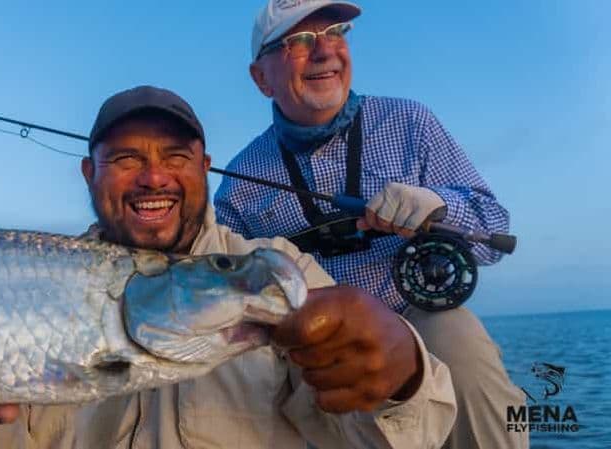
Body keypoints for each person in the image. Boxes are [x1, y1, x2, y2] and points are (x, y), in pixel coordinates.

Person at [0, 86, 457, 448]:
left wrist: (401, 373)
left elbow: (396, 439)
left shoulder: (270, 274)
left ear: (205, 167)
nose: (154, 176)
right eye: (127, 158)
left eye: (176, 157)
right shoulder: (40, 279)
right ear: (90, 175)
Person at [213, 1, 528, 449]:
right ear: (261, 78)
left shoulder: (411, 122)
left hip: (421, 315)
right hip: (311, 340)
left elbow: (493, 230)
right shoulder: (237, 185)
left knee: (463, 346)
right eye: (299, 41)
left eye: (336, 32)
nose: (324, 51)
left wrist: (437, 205)